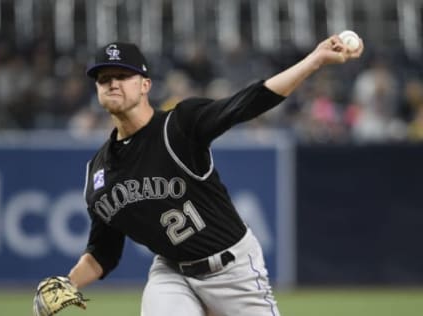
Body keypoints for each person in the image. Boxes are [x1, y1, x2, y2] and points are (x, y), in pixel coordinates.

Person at [40, 37, 363, 316]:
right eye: (103, 78)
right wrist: (69, 281)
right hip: (172, 273)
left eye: (123, 75)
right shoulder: (98, 172)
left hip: (232, 269)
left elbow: (247, 102)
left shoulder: (179, 125)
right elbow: (103, 251)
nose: (112, 83)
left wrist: (314, 60)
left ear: (145, 84)